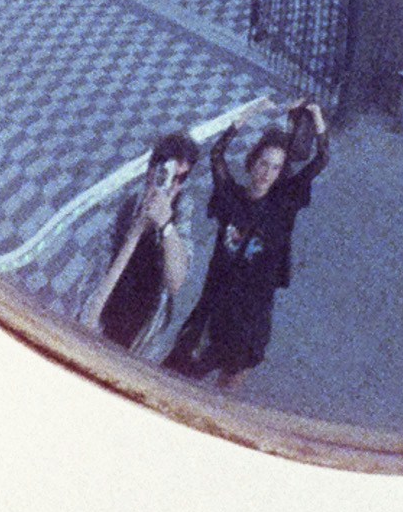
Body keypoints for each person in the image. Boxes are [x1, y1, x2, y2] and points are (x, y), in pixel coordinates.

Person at [167, 100, 328, 387]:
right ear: (252, 162)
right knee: (175, 376)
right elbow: (217, 154)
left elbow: (321, 159)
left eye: (276, 168)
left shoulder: (283, 206)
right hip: (215, 309)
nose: (267, 172)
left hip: (250, 318)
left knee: (226, 391)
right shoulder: (231, 198)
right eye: (263, 163)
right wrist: (246, 116)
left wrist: (314, 114)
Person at [86, 132, 196, 355]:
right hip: (105, 314)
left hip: (141, 333)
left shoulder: (182, 209)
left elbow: (175, 283)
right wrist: (137, 228)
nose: (172, 185)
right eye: (166, 173)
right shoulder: (125, 205)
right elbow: (96, 287)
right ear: (152, 170)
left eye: (181, 179)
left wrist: (166, 226)